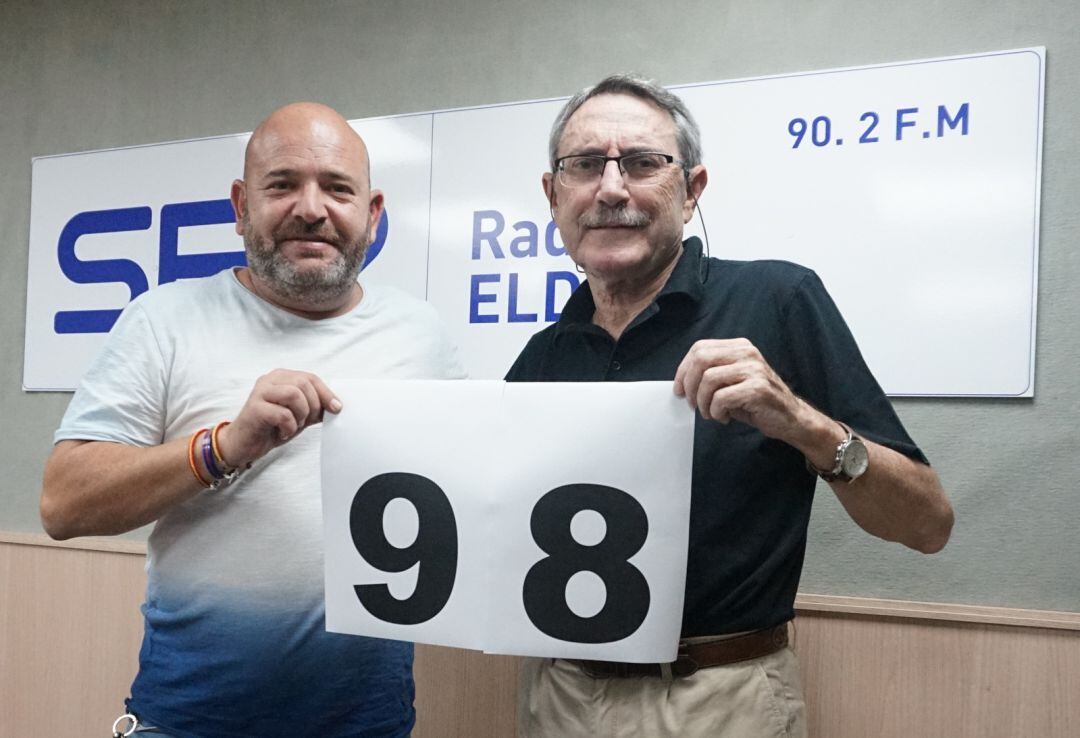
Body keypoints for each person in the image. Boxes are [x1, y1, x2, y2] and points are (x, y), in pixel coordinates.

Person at [506, 75, 955, 737]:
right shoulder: (541, 358)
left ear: (691, 192)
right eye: (583, 166)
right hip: (562, 695)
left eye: (641, 163)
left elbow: (928, 524)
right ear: (553, 195)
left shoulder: (779, 300)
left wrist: (805, 426)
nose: (609, 189)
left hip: (723, 700)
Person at [40, 102, 464, 737]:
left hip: (368, 724)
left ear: (372, 215)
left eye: (337, 188)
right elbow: (63, 503)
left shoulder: (423, 335)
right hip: (187, 721)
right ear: (241, 206)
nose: (312, 209)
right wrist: (223, 447)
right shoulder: (163, 321)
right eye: (283, 185)